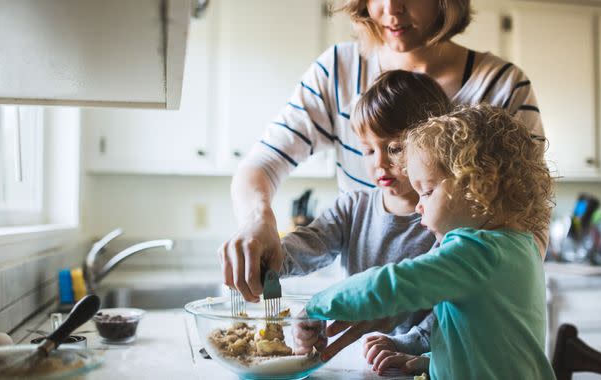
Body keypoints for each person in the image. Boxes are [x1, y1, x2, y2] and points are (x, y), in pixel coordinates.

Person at [219, 0, 548, 357]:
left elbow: (526, 231)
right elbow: (265, 165)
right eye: (368, 150)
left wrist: (413, 332)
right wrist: (262, 232)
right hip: (369, 351)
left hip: (460, 352)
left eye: (395, 149)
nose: (391, 8)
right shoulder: (337, 72)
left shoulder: (503, 89)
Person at [305, 103, 556, 379]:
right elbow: (494, 345)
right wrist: (430, 361)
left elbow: (393, 284)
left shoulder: (476, 252)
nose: (417, 206)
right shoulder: (523, 246)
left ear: (478, 186)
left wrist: (316, 306)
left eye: (426, 192)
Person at [277, 69, 450, 356]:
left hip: (427, 364)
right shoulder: (353, 207)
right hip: (364, 362)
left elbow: (451, 311)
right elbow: (310, 244)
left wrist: (405, 344)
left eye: (394, 148)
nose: (379, 163)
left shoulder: (448, 220)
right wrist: (269, 259)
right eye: (369, 151)